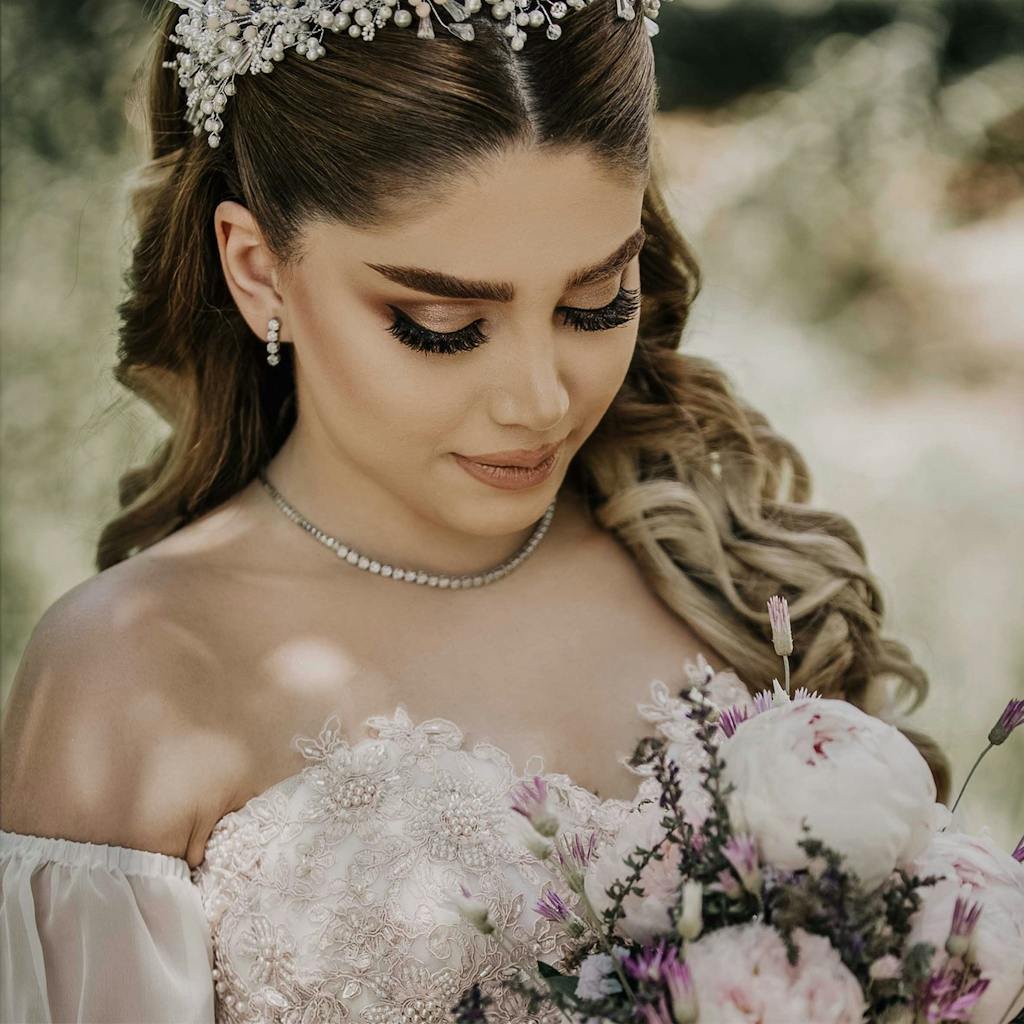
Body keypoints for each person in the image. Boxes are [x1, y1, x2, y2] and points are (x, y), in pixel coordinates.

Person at [0, 0, 950, 1019]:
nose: (540, 399)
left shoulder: (721, 575)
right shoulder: (138, 671)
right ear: (256, 268)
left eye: (595, 301)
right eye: (441, 323)